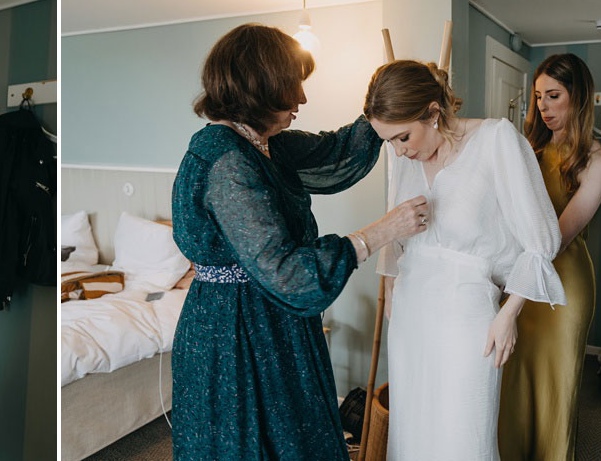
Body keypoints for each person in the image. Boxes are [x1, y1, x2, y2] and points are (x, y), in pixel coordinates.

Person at [169, 24, 427, 459]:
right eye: (293, 88)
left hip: (272, 320)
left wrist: (388, 102)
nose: (302, 100)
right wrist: (382, 231)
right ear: (260, 90)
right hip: (238, 331)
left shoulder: (264, 144)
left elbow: (335, 150)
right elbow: (287, 272)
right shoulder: (227, 161)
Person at [367, 60, 566, 460]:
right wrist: (391, 289)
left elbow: (541, 240)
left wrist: (508, 314)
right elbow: (396, 234)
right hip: (410, 314)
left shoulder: (496, 140)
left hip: (467, 313)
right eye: (388, 141)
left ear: (433, 112)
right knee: (412, 429)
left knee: (464, 435)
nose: (399, 150)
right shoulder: (404, 159)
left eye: (402, 137)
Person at [498, 52, 601, 460]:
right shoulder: (526, 148)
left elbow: (555, 241)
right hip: (517, 278)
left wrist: (512, 272)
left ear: (578, 98)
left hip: (563, 287)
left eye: (554, 95)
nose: (543, 106)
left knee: (556, 384)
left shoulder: (597, 162)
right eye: (538, 96)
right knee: (513, 376)